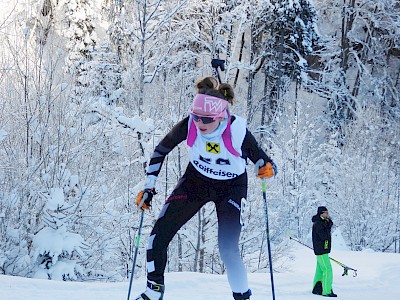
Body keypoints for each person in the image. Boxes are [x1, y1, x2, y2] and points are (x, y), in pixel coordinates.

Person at [134, 76, 277, 300]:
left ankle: (242, 296)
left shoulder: (237, 129)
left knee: (228, 249)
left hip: (231, 187)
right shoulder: (189, 124)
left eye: (206, 120)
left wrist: (267, 169)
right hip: (196, 182)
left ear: (221, 115)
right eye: (197, 117)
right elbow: (160, 151)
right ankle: (153, 291)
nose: (200, 124)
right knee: (159, 234)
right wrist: (149, 187)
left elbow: (263, 160)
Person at [311, 206, 337, 297]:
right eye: (325, 212)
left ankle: (316, 288)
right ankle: (327, 291)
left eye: (327, 212)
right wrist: (328, 226)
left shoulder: (322, 222)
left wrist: (328, 224)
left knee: (320, 270)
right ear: (321, 213)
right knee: (327, 269)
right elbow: (324, 236)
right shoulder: (318, 223)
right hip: (321, 250)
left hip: (323, 250)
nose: (327, 214)